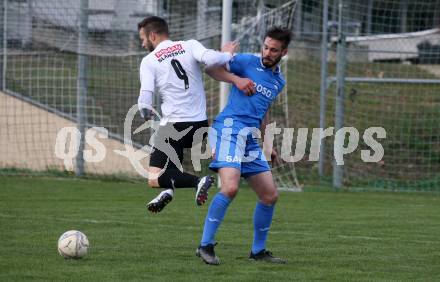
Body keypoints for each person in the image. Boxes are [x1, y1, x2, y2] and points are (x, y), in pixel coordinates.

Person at [137, 16, 254, 213]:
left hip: (174, 125)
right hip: (199, 125)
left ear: (153, 35)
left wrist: (144, 110)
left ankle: (198, 181)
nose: (142, 43)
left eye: (143, 38)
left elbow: (145, 95)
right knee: (170, 166)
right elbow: (210, 58)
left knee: (153, 177)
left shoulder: (149, 61)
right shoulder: (189, 45)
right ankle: (168, 192)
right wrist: (226, 54)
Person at [196, 27, 292, 265]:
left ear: (284, 52)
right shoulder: (247, 61)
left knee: (270, 195)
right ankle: (205, 245)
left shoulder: (278, 81)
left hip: (249, 138)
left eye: (274, 50)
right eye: (266, 47)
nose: (267, 52)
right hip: (228, 129)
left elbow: (263, 109)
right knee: (230, 188)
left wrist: (268, 143)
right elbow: (211, 68)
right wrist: (236, 79)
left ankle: (258, 252)